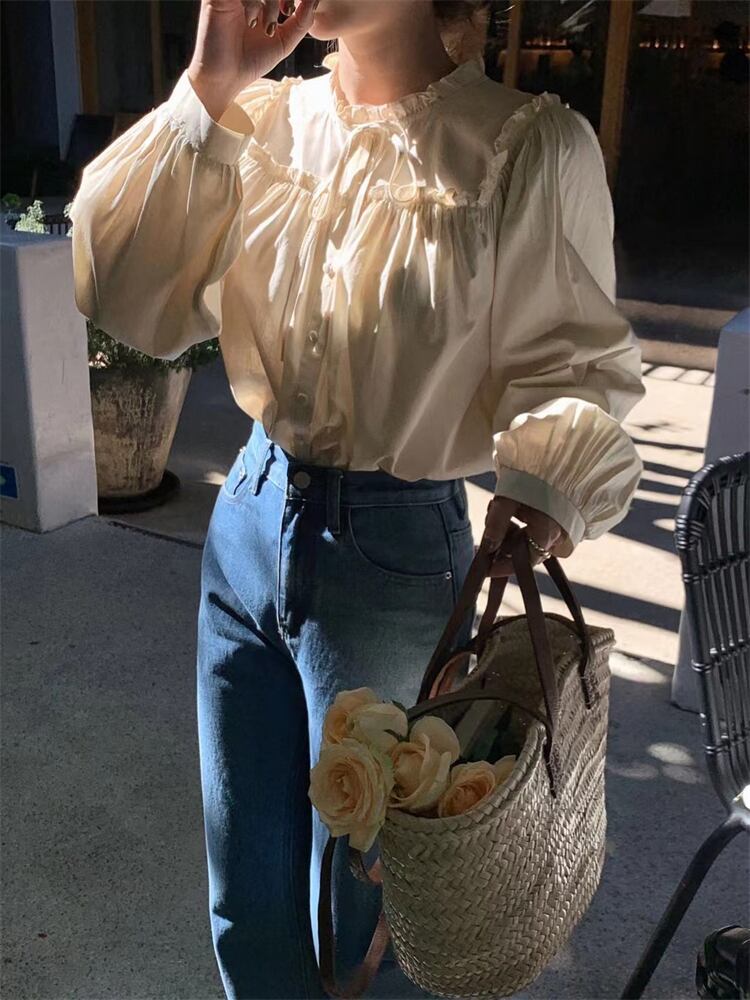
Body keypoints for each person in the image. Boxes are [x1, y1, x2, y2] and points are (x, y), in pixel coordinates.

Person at [67, 0, 645, 996]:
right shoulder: (265, 122)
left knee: (378, 918)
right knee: (245, 899)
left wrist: (548, 475)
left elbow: (574, 358)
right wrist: (211, 84)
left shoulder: (523, 145)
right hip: (247, 519)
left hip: (393, 546)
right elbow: (119, 282)